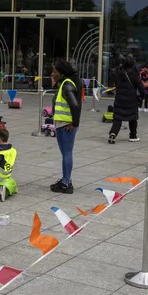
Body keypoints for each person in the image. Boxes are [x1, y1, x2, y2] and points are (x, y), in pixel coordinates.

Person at [50, 59, 82, 194]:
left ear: (62, 73)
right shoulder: (64, 83)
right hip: (62, 124)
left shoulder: (67, 84)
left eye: (55, 72)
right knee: (65, 153)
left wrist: (74, 123)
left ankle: (66, 183)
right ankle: (65, 179)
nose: (52, 74)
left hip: (66, 125)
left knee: (67, 153)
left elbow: (75, 105)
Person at [107, 55, 147, 144]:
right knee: (132, 118)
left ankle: (113, 133)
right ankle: (133, 136)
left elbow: (116, 84)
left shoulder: (118, 73)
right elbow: (142, 89)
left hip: (119, 99)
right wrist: (141, 97)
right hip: (131, 100)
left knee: (117, 118)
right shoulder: (134, 74)